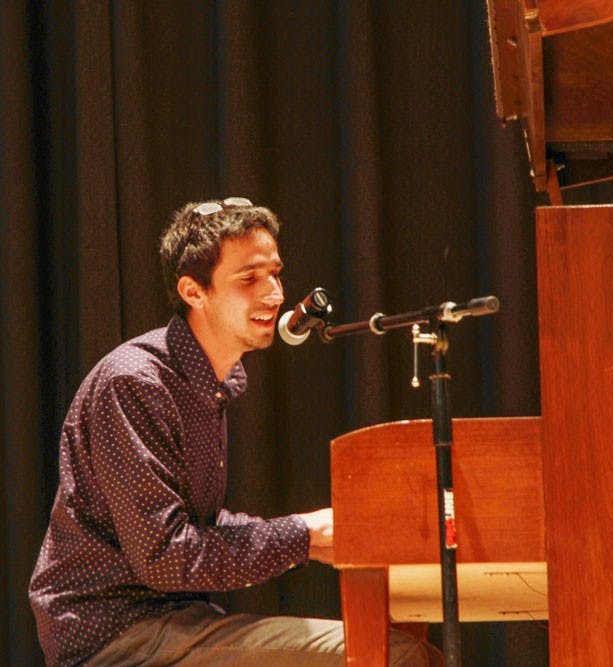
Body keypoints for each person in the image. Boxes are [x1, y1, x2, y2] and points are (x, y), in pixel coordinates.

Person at [29, 197, 437, 666]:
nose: (275, 293)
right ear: (193, 291)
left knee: (406, 649)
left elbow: (196, 527)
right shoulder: (135, 383)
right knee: (397, 656)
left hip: (175, 622)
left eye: (275, 273)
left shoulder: (210, 381)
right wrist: (301, 535)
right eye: (249, 279)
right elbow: (166, 555)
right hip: (118, 637)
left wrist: (319, 534)